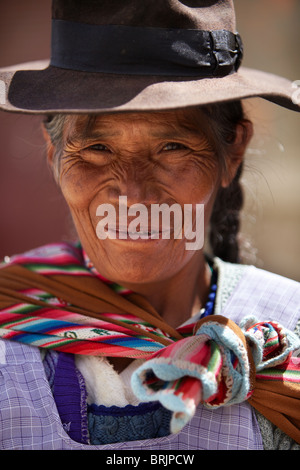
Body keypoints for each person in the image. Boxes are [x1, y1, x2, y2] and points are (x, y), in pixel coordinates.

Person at [0, 0, 299, 451]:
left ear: (231, 152)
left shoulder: (288, 333)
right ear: (53, 152)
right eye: (97, 148)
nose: (134, 194)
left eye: (173, 146)